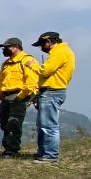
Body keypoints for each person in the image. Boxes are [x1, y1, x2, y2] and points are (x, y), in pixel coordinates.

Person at [30, 31, 76, 163]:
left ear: (49, 41)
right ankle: (44, 152)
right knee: (43, 124)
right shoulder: (64, 51)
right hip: (53, 90)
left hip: (52, 91)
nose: (41, 48)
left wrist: (32, 65)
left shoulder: (59, 52)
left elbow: (45, 71)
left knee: (48, 125)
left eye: (42, 44)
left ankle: (50, 155)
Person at [0, 37, 40, 158]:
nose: (4, 50)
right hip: (6, 96)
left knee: (13, 123)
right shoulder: (6, 63)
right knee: (3, 122)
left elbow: (31, 80)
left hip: (19, 95)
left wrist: (21, 97)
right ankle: (8, 146)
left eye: (6, 47)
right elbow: (0, 81)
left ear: (16, 47)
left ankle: (11, 150)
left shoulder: (27, 60)